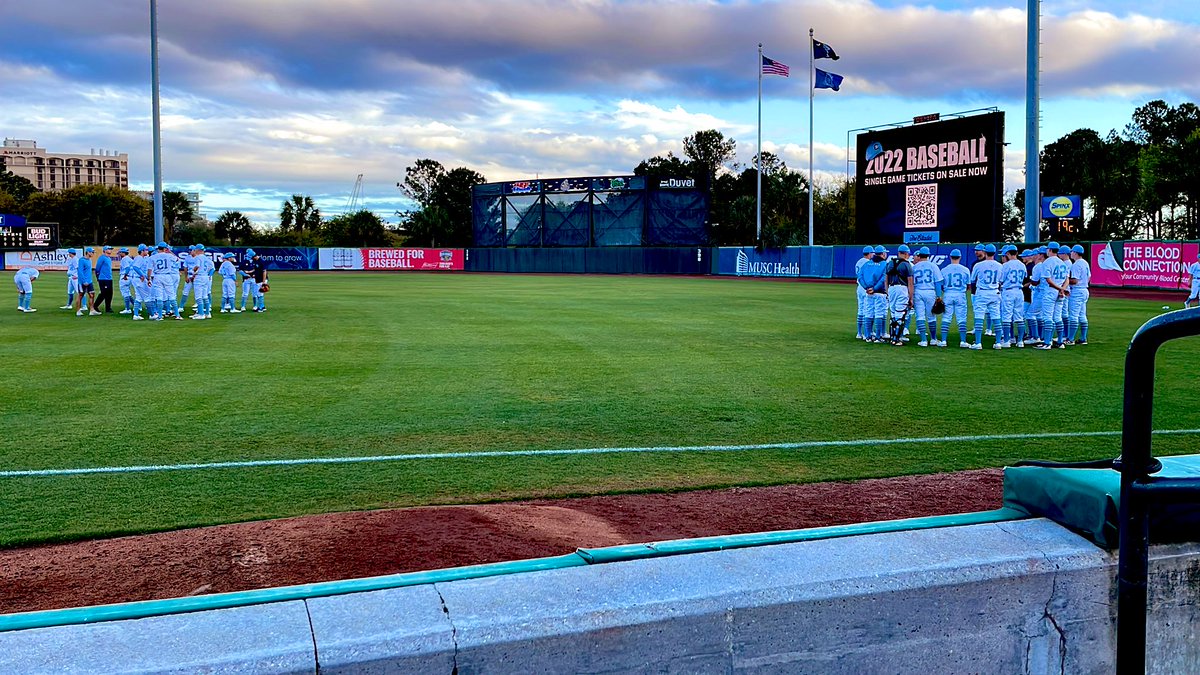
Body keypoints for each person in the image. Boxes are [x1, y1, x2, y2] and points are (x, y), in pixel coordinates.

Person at [1036, 242, 1070, 350]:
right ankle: (1060, 342)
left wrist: (1060, 289)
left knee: (1048, 317)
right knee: (1057, 317)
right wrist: (1062, 289)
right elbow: (1067, 279)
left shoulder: (1047, 262)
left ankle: (1047, 343)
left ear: (1050, 250)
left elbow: (1048, 280)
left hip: (1051, 290)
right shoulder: (1062, 263)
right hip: (1060, 291)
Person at [968, 243, 1002, 350]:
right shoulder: (1000, 265)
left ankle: (978, 343)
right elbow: (1001, 280)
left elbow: (972, 279)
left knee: (979, 316)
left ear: (985, 252)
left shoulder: (978, 265)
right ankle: (998, 342)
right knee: (996, 317)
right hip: (994, 292)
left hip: (982, 292)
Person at [911, 247, 943, 347]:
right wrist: (939, 296)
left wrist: (910, 296)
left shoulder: (914, 267)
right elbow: (937, 282)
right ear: (928, 255)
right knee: (931, 316)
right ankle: (933, 339)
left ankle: (923, 340)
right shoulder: (933, 266)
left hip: (918, 291)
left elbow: (911, 283)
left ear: (919, 255)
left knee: (920, 316)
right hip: (930, 292)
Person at [884, 244, 915, 346]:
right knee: (900, 315)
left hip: (891, 288)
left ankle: (892, 337)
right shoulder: (907, 264)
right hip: (902, 288)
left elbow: (886, 279)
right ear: (906, 254)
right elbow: (910, 282)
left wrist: (887, 291)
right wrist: (911, 298)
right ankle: (897, 339)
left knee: (893, 314)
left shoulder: (890, 263)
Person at [939, 249, 971, 348]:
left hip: (948, 293)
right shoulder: (965, 269)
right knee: (961, 318)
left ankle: (944, 341)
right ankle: (962, 341)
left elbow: (941, 285)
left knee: (946, 317)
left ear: (950, 257)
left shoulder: (944, 269)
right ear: (960, 257)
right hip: (960, 293)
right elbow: (969, 286)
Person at [857, 245, 888, 342]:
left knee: (868, 313)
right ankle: (878, 337)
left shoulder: (867, 264)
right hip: (879, 292)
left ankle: (868, 336)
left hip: (868, 292)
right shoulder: (884, 264)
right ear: (883, 254)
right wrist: (874, 288)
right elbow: (883, 278)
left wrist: (866, 287)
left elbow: (860, 277)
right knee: (879, 313)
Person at [999, 245, 1027, 348]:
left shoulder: (1006, 265)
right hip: (1019, 291)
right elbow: (1024, 277)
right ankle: (1020, 341)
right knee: (1019, 317)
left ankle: (1007, 340)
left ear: (1007, 253)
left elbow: (1001, 279)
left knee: (1006, 316)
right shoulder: (1022, 264)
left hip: (1008, 291)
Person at [1066, 245, 1091, 344]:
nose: (1071, 253)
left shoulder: (1077, 264)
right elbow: (1089, 277)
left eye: (1072, 252)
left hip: (1077, 290)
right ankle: (1083, 338)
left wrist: (1066, 281)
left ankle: (1070, 339)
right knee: (1082, 315)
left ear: (1075, 253)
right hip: (1085, 289)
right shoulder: (1085, 263)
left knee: (1073, 315)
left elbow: (1075, 280)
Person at [146, 242, 177, 321]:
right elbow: (177, 259)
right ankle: (177, 314)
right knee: (171, 295)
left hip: (157, 276)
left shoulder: (153, 257)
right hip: (167, 276)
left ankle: (160, 316)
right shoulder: (169, 255)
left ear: (158, 248)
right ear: (165, 248)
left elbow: (149, 269)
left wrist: (149, 278)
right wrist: (169, 251)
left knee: (159, 296)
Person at [190, 244, 216, 319]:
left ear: (198, 250)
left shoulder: (197, 257)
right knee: (205, 295)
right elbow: (212, 268)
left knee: (198, 296)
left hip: (199, 277)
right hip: (206, 277)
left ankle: (201, 313)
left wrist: (194, 271)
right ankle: (207, 313)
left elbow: (197, 266)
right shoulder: (207, 258)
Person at [75, 247, 100, 316]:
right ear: (88, 252)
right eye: (92, 252)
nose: (93, 254)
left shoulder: (89, 260)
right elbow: (80, 271)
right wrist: (84, 281)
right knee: (80, 295)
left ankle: (92, 310)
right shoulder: (81, 260)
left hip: (89, 281)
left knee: (92, 294)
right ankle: (78, 311)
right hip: (83, 282)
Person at [130, 244, 153, 320]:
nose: (147, 251)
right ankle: (152, 314)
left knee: (139, 297)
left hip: (137, 279)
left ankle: (136, 315)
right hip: (139, 280)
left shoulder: (141, 258)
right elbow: (135, 267)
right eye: (146, 250)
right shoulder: (140, 258)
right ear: (142, 251)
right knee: (147, 297)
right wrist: (142, 275)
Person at [855, 245, 873, 340]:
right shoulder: (868, 263)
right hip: (866, 287)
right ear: (869, 253)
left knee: (860, 309)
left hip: (859, 287)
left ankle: (859, 332)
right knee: (868, 310)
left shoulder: (859, 261)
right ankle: (867, 333)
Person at [92, 245, 115, 313]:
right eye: (109, 249)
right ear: (105, 250)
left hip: (109, 278)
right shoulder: (102, 258)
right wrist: (98, 277)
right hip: (103, 278)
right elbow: (97, 268)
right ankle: (95, 306)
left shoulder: (109, 258)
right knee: (104, 293)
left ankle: (108, 308)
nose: (110, 250)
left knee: (110, 293)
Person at [115, 247, 135, 314]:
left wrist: (125, 275)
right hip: (131, 277)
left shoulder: (124, 259)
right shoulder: (130, 259)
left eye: (120, 252)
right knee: (128, 293)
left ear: (123, 253)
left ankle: (127, 309)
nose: (120, 254)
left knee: (125, 293)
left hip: (125, 276)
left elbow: (127, 268)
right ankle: (136, 306)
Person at [179, 245, 198, 312]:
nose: (189, 251)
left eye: (191, 250)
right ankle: (181, 306)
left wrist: (194, 276)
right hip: (189, 275)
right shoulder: (187, 257)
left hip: (197, 276)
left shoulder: (198, 258)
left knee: (198, 292)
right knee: (185, 291)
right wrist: (186, 277)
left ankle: (199, 306)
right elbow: (185, 267)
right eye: (189, 250)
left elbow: (199, 268)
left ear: (195, 250)